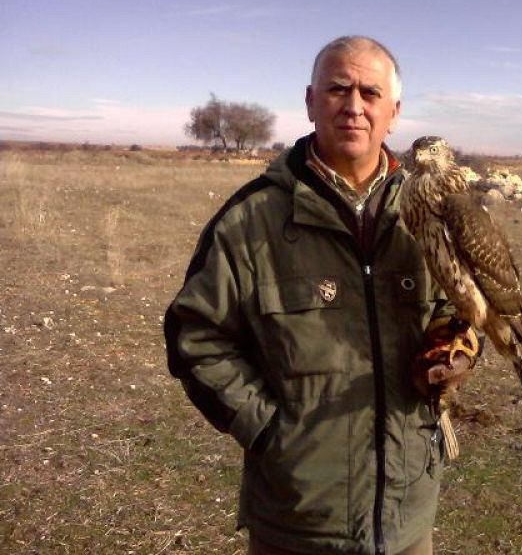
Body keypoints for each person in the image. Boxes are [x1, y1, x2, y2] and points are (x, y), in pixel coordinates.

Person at [164, 36, 477, 555]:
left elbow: (454, 305)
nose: (354, 106)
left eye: (370, 93)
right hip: (297, 521)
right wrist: (271, 432)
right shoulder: (251, 221)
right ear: (311, 102)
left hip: (409, 516)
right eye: (337, 89)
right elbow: (195, 337)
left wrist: (453, 347)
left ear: (393, 112)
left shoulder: (428, 212)